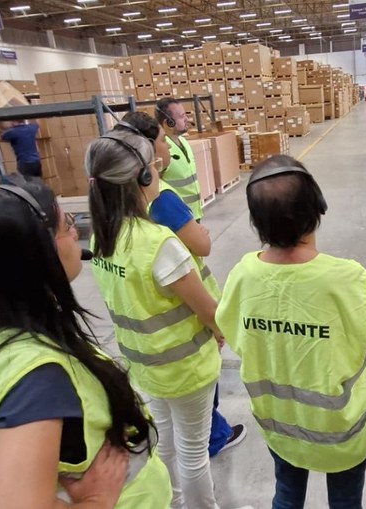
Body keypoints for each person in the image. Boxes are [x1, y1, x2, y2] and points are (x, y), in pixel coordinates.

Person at [0, 178, 172, 508]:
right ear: (34, 253)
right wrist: (96, 501)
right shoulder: (37, 377)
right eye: (66, 224)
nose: (74, 233)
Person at [215, 155, 366, 509]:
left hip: (282, 426)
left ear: (256, 222)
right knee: (345, 502)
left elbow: (230, 331)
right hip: (342, 430)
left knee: (287, 496)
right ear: (316, 208)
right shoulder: (349, 277)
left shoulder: (242, 275)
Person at [86, 130, 243, 509]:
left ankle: (171, 501)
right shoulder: (159, 243)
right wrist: (219, 331)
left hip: (144, 364)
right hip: (185, 368)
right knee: (193, 452)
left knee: (166, 443)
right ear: (143, 178)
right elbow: (207, 310)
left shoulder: (102, 239)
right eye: (155, 167)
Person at [113, 111, 247, 457]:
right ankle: (214, 436)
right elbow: (201, 247)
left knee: (169, 433)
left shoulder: (111, 216)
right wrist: (218, 327)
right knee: (192, 436)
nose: (167, 146)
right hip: (183, 343)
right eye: (161, 140)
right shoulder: (162, 201)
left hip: (145, 353)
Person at [155, 97, 203, 222]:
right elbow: (155, 187)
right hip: (177, 219)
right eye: (182, 116)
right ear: (168, 122)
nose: (187, 119)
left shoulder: (183, 141)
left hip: (193, 214)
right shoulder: (162, 150)